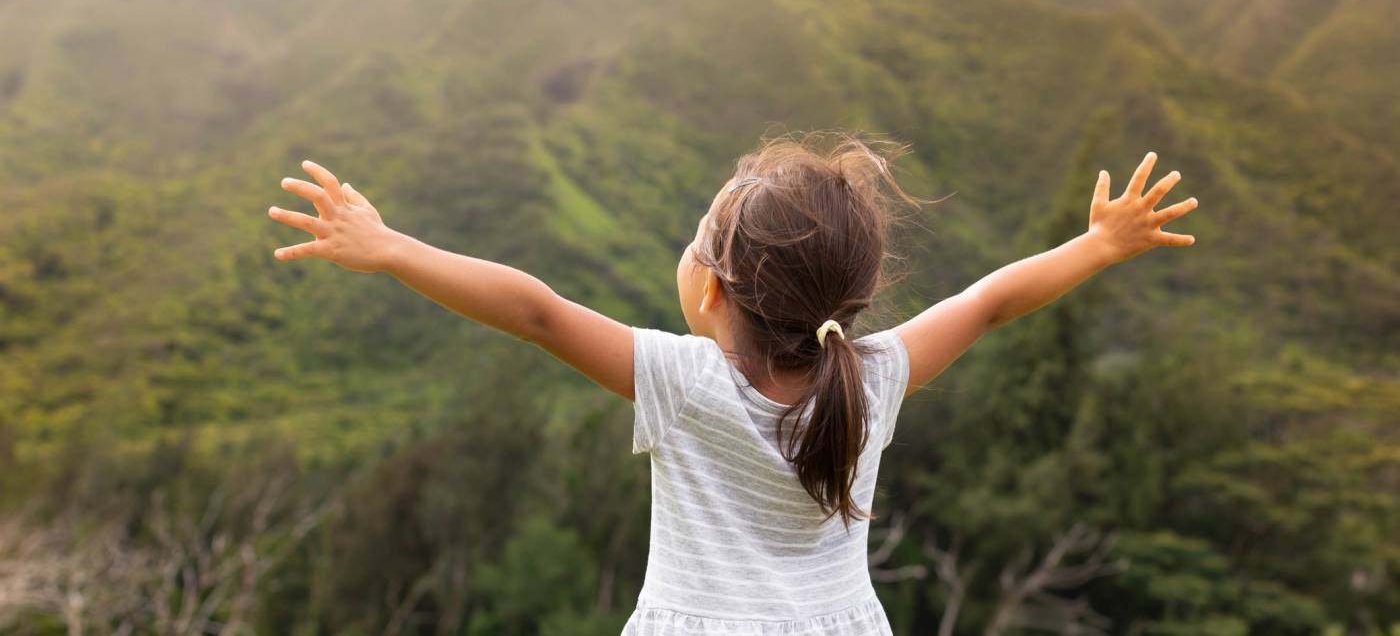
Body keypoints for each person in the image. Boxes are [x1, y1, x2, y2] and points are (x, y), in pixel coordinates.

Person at [267, 131, 1197, 635]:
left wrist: (393, 250)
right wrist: (1099, 243)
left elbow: (536, 310)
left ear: (708, 288)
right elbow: (989, 302)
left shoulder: (682, 381)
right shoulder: (872, 379)